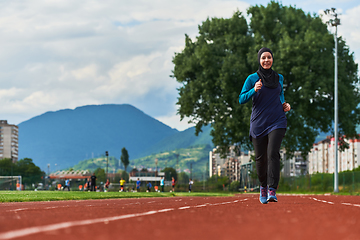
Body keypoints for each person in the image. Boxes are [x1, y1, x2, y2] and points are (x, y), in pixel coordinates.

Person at [239, 47, 291, 204]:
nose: (266, 60)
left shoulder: (279, 78)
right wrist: (254, 90)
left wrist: (284, 104)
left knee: (273, 153)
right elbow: (241, 99)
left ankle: (272, 190)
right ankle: (263, 187)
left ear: (272, 59)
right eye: (263, 58)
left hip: (277, 120)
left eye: (269, 57)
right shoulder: (252, 78)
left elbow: (280, 95)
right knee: (261, 159)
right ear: (259, 60)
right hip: (259, 123)